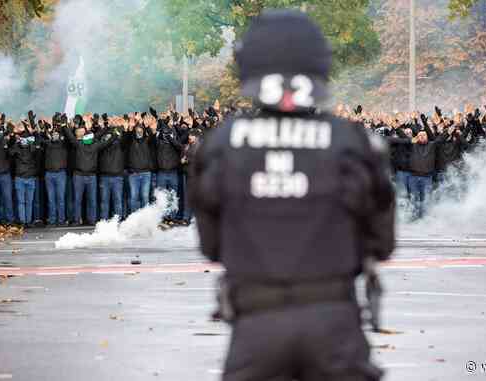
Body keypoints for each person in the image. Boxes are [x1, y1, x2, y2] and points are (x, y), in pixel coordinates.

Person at [190, 10, 394, 381]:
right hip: (335, 327)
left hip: (254, 328)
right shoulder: (352, 141)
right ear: (321, 64)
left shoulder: (219, 144)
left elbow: (211, 245)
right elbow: (382, 242)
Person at [62, 115, 117, 226]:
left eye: (85, 134)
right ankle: (77, 220)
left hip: (91, 176)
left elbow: (106, 142)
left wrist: (114, 132)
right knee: (78, 200)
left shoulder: (93, 145)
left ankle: (91, 220)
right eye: (82, 134)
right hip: (79, 176)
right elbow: (70, 136)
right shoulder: (79, 144)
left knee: (91, 200)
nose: (84, 136)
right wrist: (64, 126)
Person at [124, 113, 157, 213]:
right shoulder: (130, 141)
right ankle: (134, 218)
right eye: (137, 130)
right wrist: (129, 127)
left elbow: (153, 139)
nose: (139, 131)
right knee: (134, 196)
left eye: (141, 130)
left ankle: (145, 217)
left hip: (146, 173)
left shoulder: (147, 141)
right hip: (133, 173)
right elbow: (126, 138)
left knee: (145, 196)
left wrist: (149, 128)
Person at [41, 115, 70, 226]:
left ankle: (61, 220)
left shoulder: (64, 144)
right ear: (50, 136)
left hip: (60, 174)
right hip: (49, 174)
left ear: (60, 136)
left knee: (61, 199)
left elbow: (69, 136)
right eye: (53, 134)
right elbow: (39, 138)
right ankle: (52, 220)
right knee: (51, 199)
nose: (55, 135)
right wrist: (42, 130)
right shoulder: (47, 144)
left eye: (57, 134)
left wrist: (64, 125)